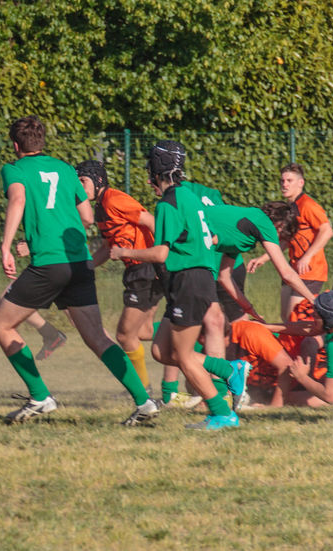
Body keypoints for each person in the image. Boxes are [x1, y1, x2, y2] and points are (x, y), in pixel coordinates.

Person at [0, 116, 157, 426]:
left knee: (1, 325)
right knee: (97, 337)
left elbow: (18, 199)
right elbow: (88, 217)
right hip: (79, 262)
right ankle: (144, 401)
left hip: (49, 264)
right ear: (42, 142)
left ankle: (40, 397)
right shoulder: (66, 170)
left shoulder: (14, 170)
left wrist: (6, 245)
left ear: (15, 145)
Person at [111, 140, 249, 430]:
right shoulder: (189, 197)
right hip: (193, 279)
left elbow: (161, 253)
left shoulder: (168, 203)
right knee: (162, 352)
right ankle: (229, 369)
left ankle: (222, 413)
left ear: (157, 171)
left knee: (184, 357)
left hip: (188, 280)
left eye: (150, 167)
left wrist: (125, 252)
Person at [79, 160, 162, 392]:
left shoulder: (115, 198)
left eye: (83, 181)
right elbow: (107, 247)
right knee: (143, 331)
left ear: (97, 180)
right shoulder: (100, 207)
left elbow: (152, 222)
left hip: (146, 269)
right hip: (138, 270)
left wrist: (163, 254)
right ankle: (191, 335)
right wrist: (86, 267)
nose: (80, 187)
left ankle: (144, 391)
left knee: (125, 335)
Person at [248, 163, 333, 321]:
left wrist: (307, 256)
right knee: (286, 317)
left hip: (310, 271)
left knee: (296, 318)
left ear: (301, 182)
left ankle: (316, 343)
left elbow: (327, 231)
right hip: (293, 269)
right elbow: (287, 241)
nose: (285, 184)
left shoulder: (308, 205)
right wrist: (264, 258)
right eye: (282, 181)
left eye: (289, 180)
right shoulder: (290, 207)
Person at [207, 201, 315, 322]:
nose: (277, 240)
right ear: (280, 226)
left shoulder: (243, 232)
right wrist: (313, 300)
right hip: (189, 247)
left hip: (191, 249)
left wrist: (248, 308)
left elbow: (224, 276)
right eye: (281, 237)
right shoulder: (264, 222)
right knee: (212, 320)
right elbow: (286, 274)